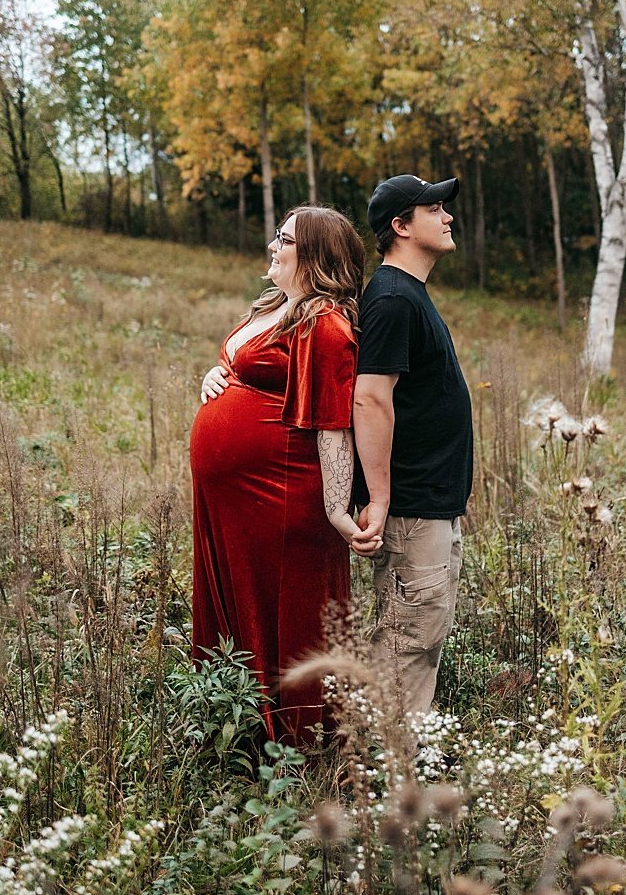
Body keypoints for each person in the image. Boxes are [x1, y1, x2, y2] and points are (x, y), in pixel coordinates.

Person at [191, 205, 382, 742]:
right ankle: (235, 724)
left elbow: (333, 425)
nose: (272, 246)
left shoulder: (325, 324)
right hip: (234, 499)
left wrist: (335, 510)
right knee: (238, 599)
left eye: (285, 239)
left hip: (278, 494)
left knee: (281, 608)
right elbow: (247, 365)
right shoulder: (281, 306)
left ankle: (293, 739)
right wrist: (219, 371)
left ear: (315, 256)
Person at [353, 175, 474, 716]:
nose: (447, 217)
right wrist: (379, 498)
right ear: (400, 226)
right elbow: (370, 399)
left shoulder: (409, 295)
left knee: (422, 639)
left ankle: (405, 774)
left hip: (433, 503)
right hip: (411, 508)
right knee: (406, 643)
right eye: (434, 209)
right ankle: (394, 781)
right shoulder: (393, 299)